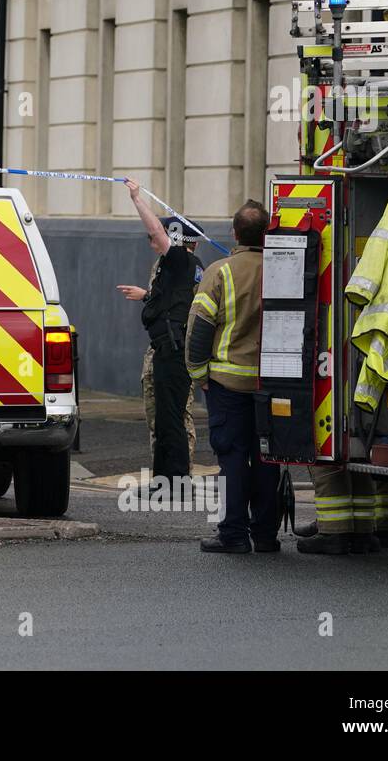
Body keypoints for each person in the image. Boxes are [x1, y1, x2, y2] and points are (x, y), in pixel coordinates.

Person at [185, 199, 278, 553]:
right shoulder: (283, 268)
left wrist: (198, 374)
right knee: (269, 458)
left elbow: (198, 330)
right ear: (267, 233)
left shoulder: (219, 272)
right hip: (273, 384)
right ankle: (266, 536)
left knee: (233, 459)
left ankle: (234, 535)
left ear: (235, 233)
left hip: (226, 384)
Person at [116, 179, 202, 485]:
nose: (152, 240)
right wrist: (147, 296)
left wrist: (137, 199)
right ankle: (164, 482)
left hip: (173, 351)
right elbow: (175, 300)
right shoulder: (181, 266)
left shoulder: (180, 259)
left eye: (163, 237)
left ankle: (175, 483)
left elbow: (156, 232)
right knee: (165, 420)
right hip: (167, 348)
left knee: (173, 420)